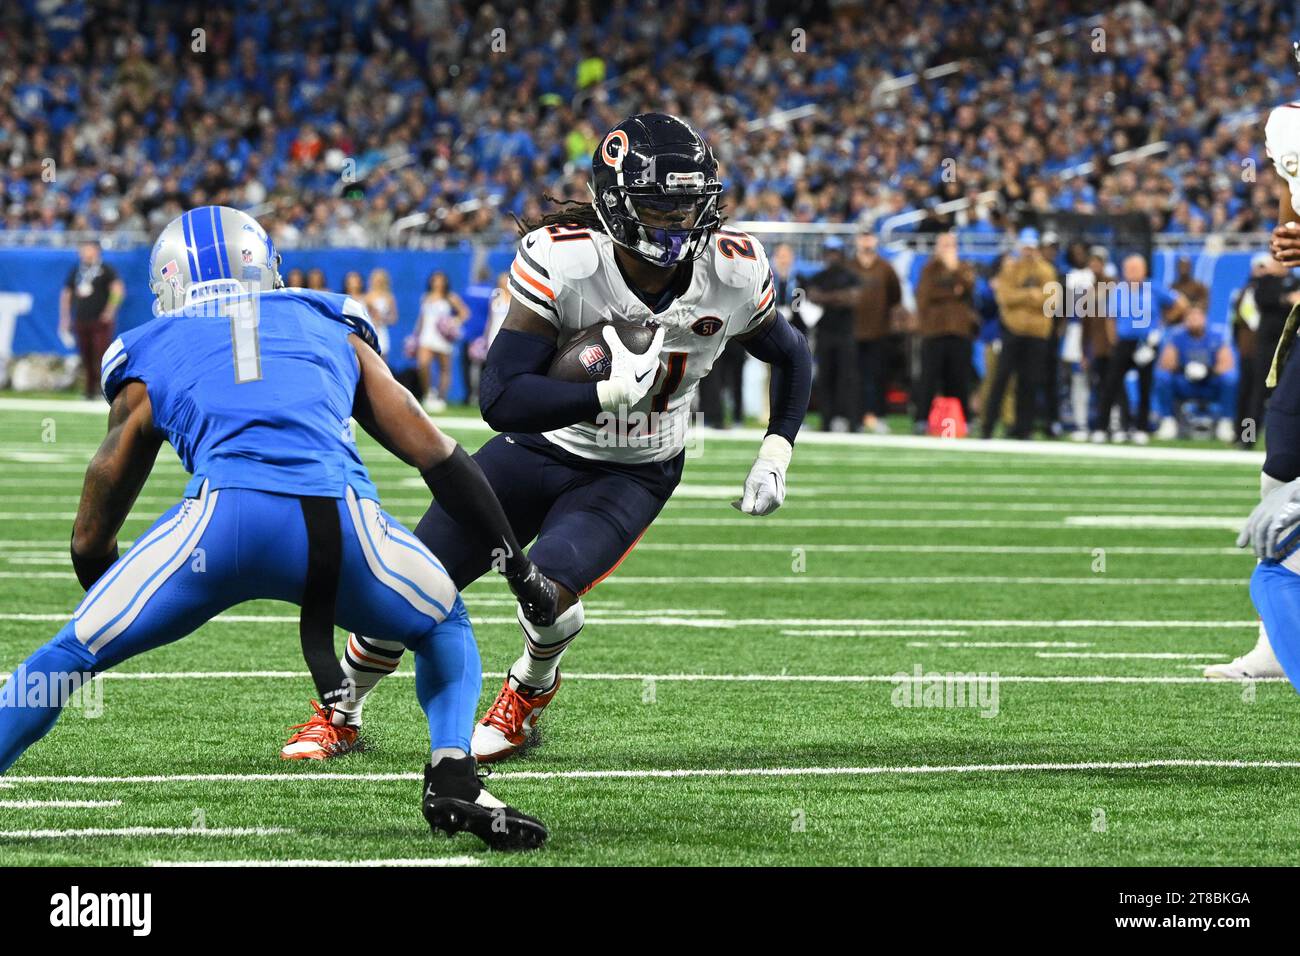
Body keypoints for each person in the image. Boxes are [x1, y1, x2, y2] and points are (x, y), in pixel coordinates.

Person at [0, 206, 558, 851]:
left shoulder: (150, 346)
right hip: (342, 524)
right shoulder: (328, 317)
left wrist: (103, 593)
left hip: (220, 528)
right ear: (264, 266)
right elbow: (434, 452)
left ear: (171, 282)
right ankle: (453, 776)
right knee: (443, 623)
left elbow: (100, 500)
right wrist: (515, 562)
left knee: (68, 655)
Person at [280, 112, 812, 764]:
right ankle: (343, 709)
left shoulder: (733, 271)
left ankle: (527, 692)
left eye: (688, 205)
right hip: (538, 445)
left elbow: (792, 354)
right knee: (410, 584)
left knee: (546, 592)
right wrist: (604, 392)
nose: (678, 223)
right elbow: (501, 398)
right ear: (618, 207)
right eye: (659, 205)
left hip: (633, 467)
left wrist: (776, 450)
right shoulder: (566, 260)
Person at [1092, 254, 1187, 444]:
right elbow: (1110, 318)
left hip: (1146, 342)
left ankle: (1141, 428)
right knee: (1111, 384)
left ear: (1144, 270)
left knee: (1145, 385)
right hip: (1124, 341)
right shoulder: (1118, 289)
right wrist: (1114, 341)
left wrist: (1163, 322)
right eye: (1129, 269)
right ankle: (1102, 427)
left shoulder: (1153, 287)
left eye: (1136, 268)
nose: (1132, 272)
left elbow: (1180, 304)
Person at [982, 228, 1057, 440]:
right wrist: (1031, 296)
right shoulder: (1010, 269)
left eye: (1031, 248)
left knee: (1029, 381)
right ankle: (988, 425)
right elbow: (1005, 297)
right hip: (1013, 330)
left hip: (1037, 333)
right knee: (1001, 379)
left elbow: (1052, 301)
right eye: (1025, 247)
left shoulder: (1046, 270)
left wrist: (1023, 298)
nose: (1028, 251)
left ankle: (1024, 428)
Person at [912, 231, 977, 432]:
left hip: (959, 331)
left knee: (959, 378)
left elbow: (969, 288)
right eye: (945, 245)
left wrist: (954, 270)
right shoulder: (929, 269)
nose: (948, 249)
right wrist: (952, 291)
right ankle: (921, 419)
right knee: (929, 378)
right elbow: (925, 295)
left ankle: (962, 419)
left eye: (951, 245)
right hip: (934, 330)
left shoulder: (963, 267)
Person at [1153, 303, 1238, 442]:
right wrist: (1184, 369)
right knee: (1162, 377)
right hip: (1185, 383)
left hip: (1209, 383)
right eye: (1190, 317)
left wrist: (1208, 371)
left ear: (1204, 318)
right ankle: (1167, 421)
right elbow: (1167, 363)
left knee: (1230, 378)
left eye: (1197, 316)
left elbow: (1227, 364)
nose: (1194, 320)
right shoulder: (1176, 336)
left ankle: (1226, 422)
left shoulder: (1217, 336)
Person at [804, 235, 861, 431]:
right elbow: (812, 296)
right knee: (825, 377)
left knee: (847, 378)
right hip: (825, 334)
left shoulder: (850, 276)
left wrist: (825, 298)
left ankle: (849, 420)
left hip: (846, 334)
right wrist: (839, 298)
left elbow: (853, 299)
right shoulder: (818, 277)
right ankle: (826, 420)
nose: (832, 256)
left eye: (835, 252)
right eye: (829, 252)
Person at [848, 231, 901, 434]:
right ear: (857, 241)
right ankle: (856, 417)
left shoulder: (885, 268)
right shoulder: (850, 266)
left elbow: (895, 295)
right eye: (862, 237)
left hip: (879, 331)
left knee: (877, 376)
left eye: (869, 237)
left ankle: (877, 415)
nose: (866, 241)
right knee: (854, 377)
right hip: (852, 331)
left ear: (875, 240)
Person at [59, 240, 125, 399]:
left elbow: (118, 289)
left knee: (101, 355)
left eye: (86, 249)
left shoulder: (105, 269)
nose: (83, 252)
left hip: (100, 320)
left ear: (96, 251)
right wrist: (65, 317)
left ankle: (105, 390)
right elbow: (66, 294)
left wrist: (110, 310)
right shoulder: (77, 270)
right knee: (86, 356)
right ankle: (89, 390)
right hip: (81, 319)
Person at [415, 271, 469, 412]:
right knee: (423, 364)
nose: (438, 283)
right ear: (431, 281)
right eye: (435, 280)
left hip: (443, 338)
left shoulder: (450, 297)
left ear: (445, 282)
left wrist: (452, 322)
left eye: (441, 280)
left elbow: (465, 313)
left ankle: (441, 397)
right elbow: (421, 319)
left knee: (444, 368)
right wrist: (415, 335)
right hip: (427, 336)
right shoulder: (426, 297)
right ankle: (428, 394)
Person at [359, 267, 396, 358]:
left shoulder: (389, 297)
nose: (378, 282)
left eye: (380, 280)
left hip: (381, 331)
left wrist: (383, 319)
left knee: (382, 358)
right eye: (376, 279)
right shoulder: (366, 296)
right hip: (368, 330)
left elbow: (393, 318)